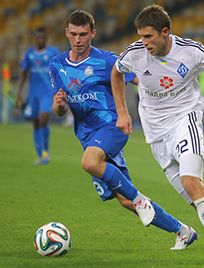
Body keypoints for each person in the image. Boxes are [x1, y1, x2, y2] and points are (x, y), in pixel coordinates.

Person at [50, 9, 197, 250]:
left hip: (111, 126)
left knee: (89, 162)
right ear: (66, 33)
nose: (78, 40)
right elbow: (60, 111)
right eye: (74, 34)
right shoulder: (56, 64)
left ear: (93, 34)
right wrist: (59, 106)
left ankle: (141, 201)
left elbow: (145, 79)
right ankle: (182, 231)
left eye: (83, 34)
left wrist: (145, 108)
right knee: (124, 200)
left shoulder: (107, 60)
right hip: (87, 135)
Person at [111, 4, 204, 233]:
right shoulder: (134, 54)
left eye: (148, 36)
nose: (144, 42)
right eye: (141, 36)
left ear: (165, 32)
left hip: (185, 118)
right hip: (155, 133)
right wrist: (122, 111)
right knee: (194, 197)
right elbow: (116, 73)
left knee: (190, 180)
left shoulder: (191, 52)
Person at [16, 27, 59, 165]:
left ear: (46, 38)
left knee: (42, 119)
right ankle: (40, 153)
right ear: (35, 38)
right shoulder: (29, 54)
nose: (40, 39)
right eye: (38, 36)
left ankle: (46, 153)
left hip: (47, 93)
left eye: (43, 36)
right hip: (33, 93)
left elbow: (60, 71)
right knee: (35, 122)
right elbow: (23, 73)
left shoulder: (53, 52)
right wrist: (18, 93)